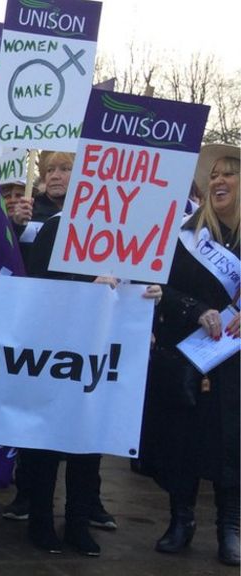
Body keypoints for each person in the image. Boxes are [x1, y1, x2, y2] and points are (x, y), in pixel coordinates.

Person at [24, 157, 163, 555]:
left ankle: (79, 522)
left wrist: (149, 298)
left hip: (104, 352)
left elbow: (137, 285)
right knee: (48, 440)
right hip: (59, 349)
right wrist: (86, 284)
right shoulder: (55, 228)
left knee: (90, 438)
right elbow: (38, 289)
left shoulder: (129, 234)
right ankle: (39, 520)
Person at [141, 144, 239, 566]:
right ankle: (180, 520)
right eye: (213, 175)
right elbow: (159, 287)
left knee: (231, 442)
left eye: (229, 173)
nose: (218, 181)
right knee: (182, 438)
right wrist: (196, 310)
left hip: (234, 361)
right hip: (188, 352)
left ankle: (230, 527)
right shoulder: (185, 234)